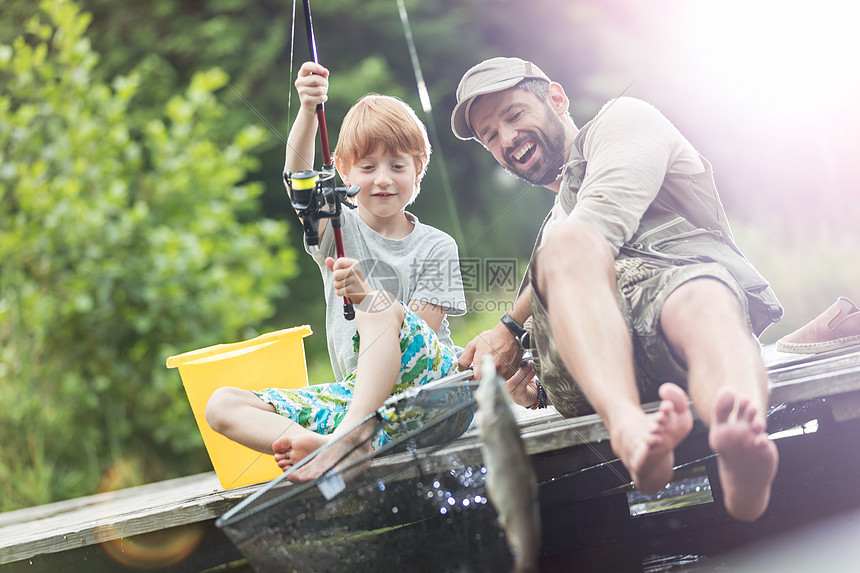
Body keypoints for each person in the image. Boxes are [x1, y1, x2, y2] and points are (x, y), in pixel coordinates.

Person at [451, 57, 784, 522]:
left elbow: (601, 221)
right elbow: (565, 276)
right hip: (593, 375)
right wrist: (534, 379)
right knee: (566, 247)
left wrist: (510, 324)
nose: (506, 139)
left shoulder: (624, 121)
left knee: (701, 297)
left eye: (514, 115)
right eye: (490, 136)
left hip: (679, 310)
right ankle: (630, 432)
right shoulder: (551, 229)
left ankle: (740, 438)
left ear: (556, 98)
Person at [205, 61, 469, 480]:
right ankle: (327, 451)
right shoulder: (335, 226)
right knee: (221, 404)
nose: (383, 179)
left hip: (433, 401)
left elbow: (417, 330)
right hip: (361, 406)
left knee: (379, 310)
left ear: (419, 171)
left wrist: (368, 297)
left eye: (398, 166)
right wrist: (309, 110)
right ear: (343, 171)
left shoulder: (438, 245)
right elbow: (299, 181)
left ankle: (346, 442)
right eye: (367, 167)